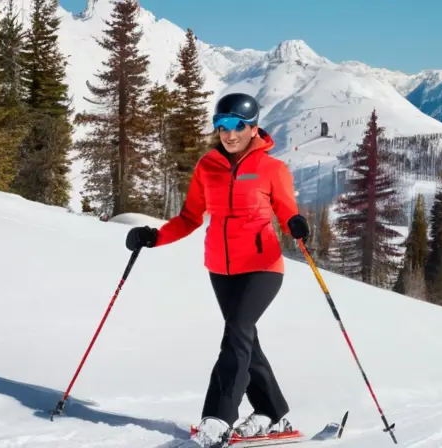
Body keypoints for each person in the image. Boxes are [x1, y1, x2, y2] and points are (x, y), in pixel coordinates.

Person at [125, 92, 310, 448]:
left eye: (237, 125)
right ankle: (272, 410)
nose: (229, 133)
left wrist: (297, 225)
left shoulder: (272, 169)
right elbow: (190, 217)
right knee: (244, 338)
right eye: (222, 125)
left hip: (262, 266)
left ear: (254, 128)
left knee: (237, 332)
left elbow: (287, 215)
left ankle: (217, 417)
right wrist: (153, 237)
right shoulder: (207, 166)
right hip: (220, 269)